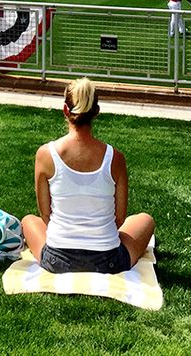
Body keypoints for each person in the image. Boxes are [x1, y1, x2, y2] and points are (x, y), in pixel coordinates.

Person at [20, 78, 155, 276]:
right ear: (96, 112)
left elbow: (46, 215)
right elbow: (119, 218)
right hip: (108, 260)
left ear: (66, 110)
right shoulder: (115, 158)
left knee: (29, 221)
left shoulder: (45, 154)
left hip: (58, 259)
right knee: (145, 220)